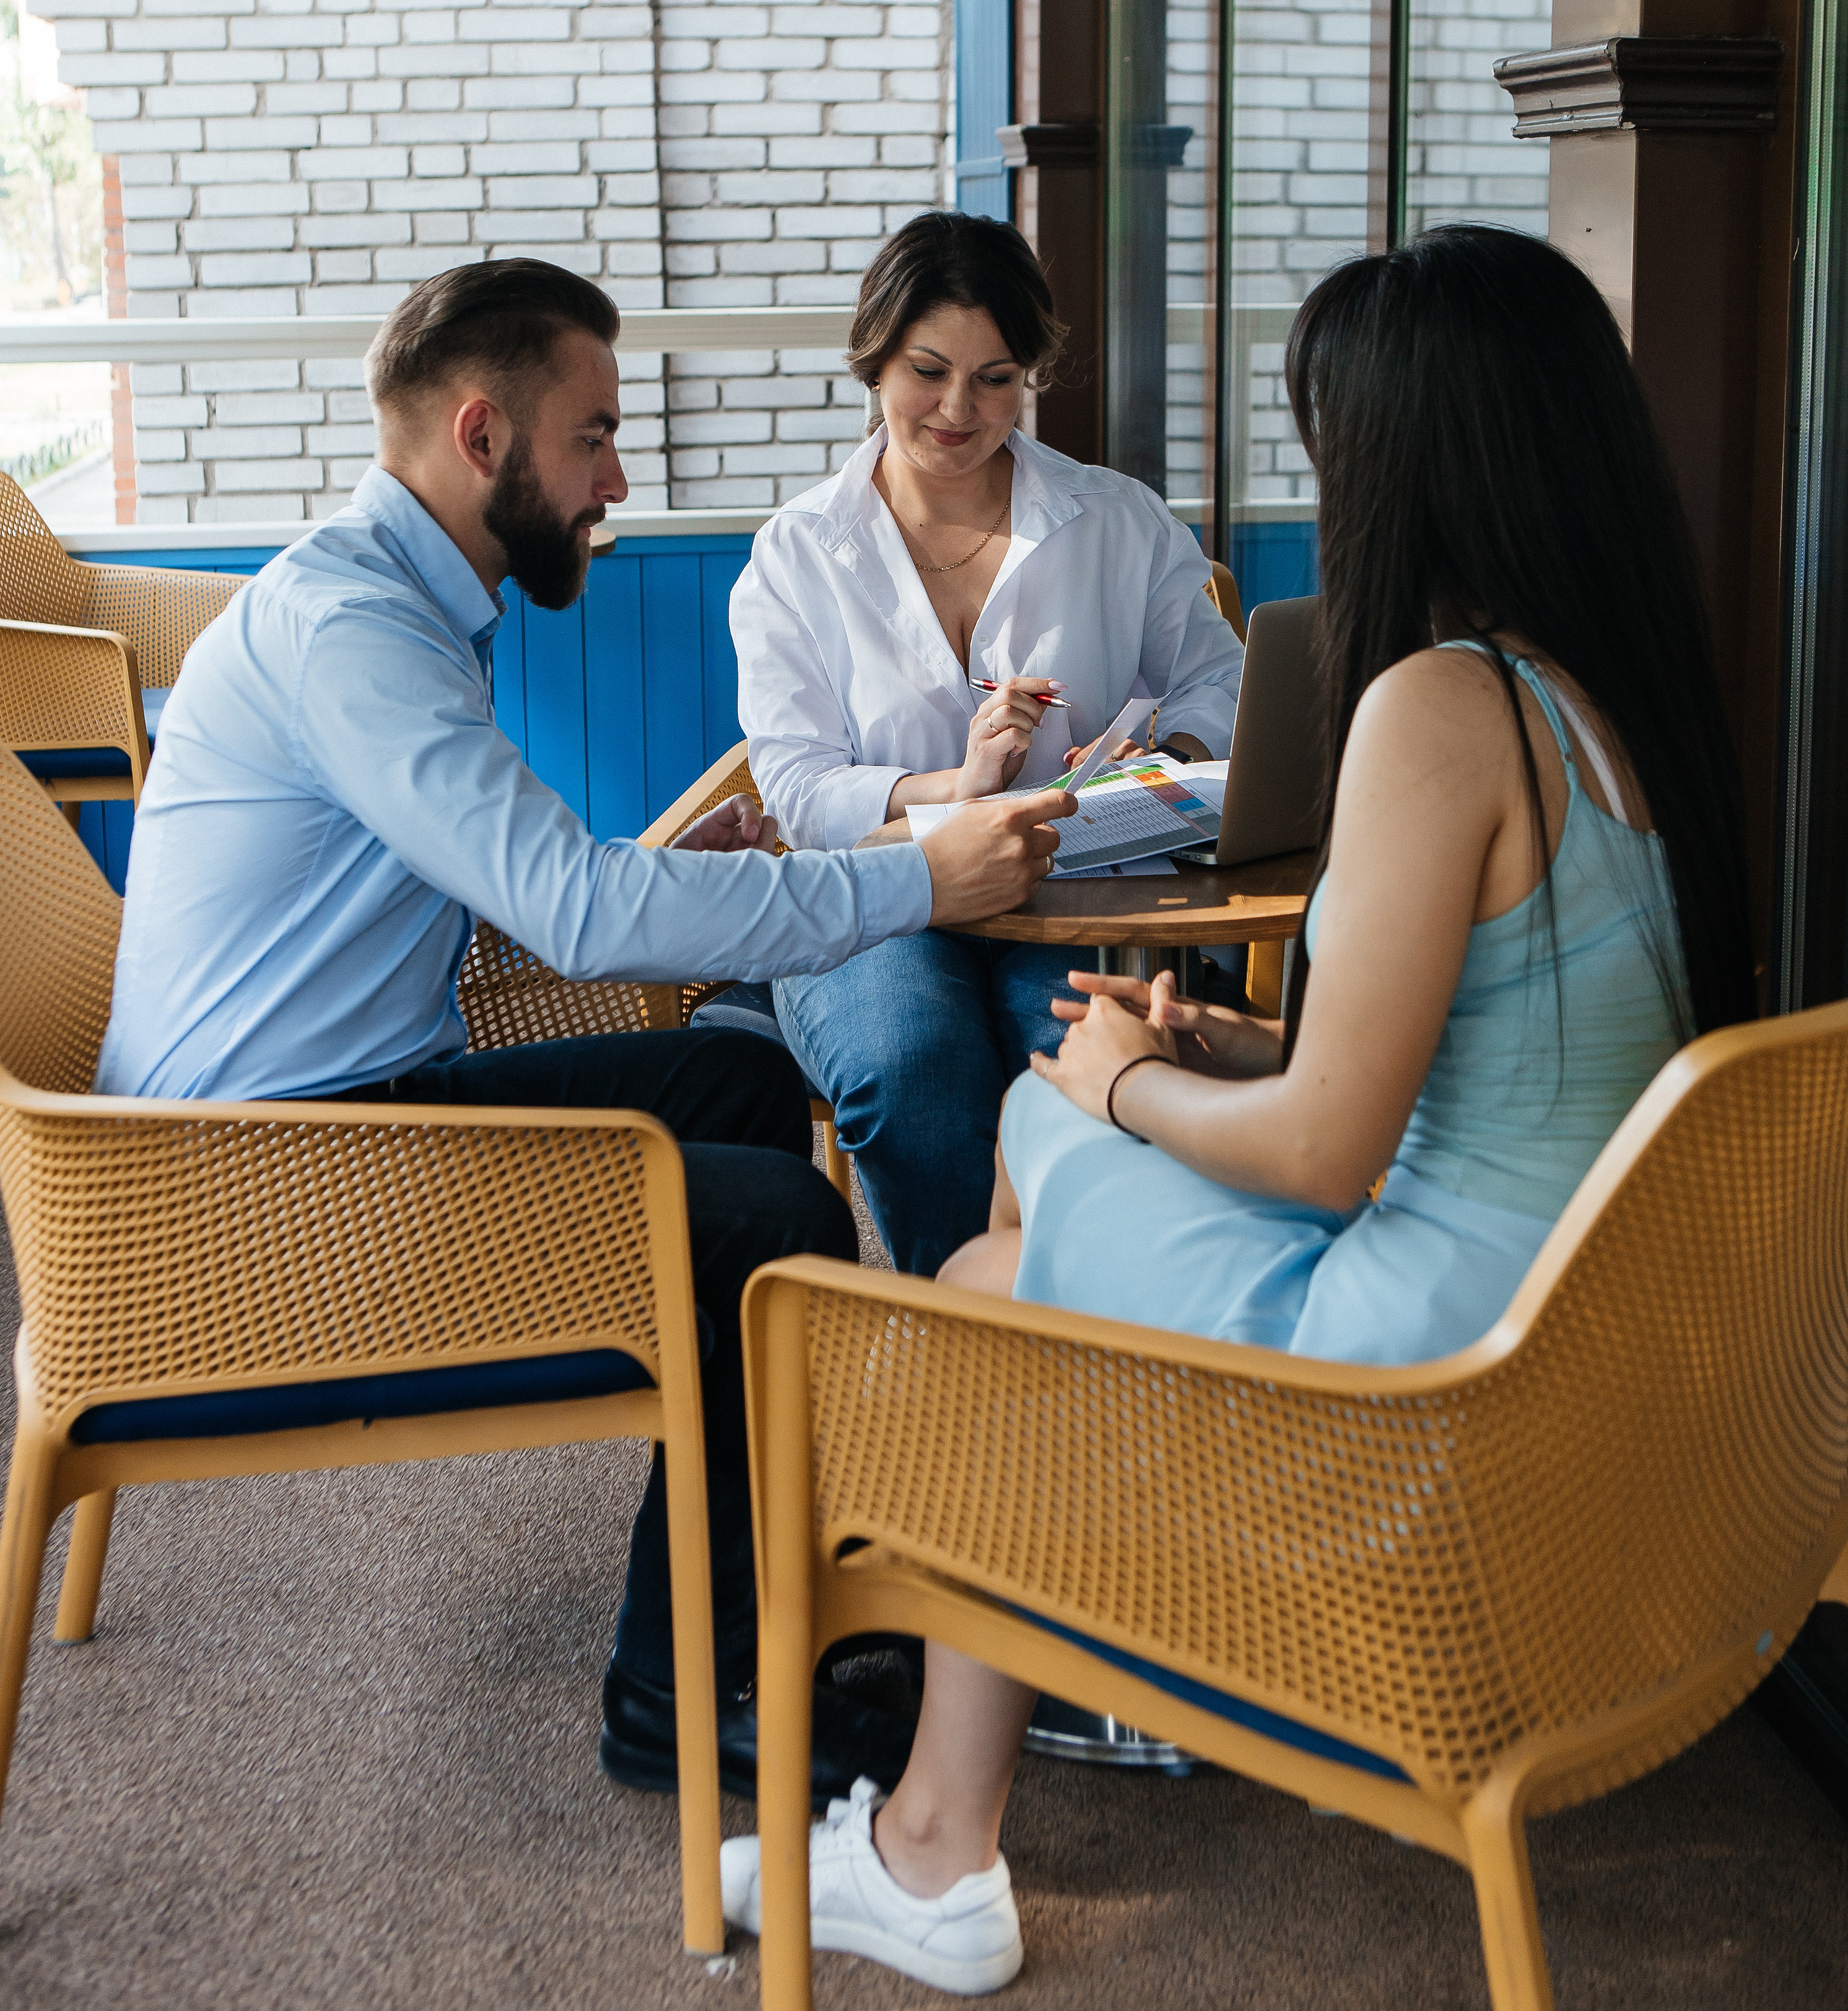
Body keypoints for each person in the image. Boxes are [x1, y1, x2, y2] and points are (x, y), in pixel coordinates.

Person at [718, 223, 1758, 1991]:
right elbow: (1466, 1063)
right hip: (1572, 1334)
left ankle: (952, 1818)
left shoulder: (1439, 710)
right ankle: (999, 1753)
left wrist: (1124, 1082)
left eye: (1326, 440)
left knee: (1014, 1218)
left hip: (1441, 1370)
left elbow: (1326, 1150)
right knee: (1015, 1171)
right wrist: (1204, 1054)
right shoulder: (1614, 706)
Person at [95, 257, 1068, 1815]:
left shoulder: (399, 599)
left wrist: (686, 883)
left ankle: (747, 1580)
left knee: (736, 1074)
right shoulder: (352, 629)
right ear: (483, 435)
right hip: (253, 1196)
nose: (618, 478)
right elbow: (572, 912)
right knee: (769, 1224)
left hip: (337, 1108)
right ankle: (685, 1696)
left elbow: (502, 894)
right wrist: (911, 877)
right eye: (594, 437)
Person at [729, 211, 1245, 1273]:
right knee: (914, 1064)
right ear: (874, 356)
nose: (960, 411)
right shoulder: (798, 553)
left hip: (1066, 893)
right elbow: (796, 787)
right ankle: (965, 1359)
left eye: (997, 379)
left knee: (1070, 1057)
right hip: (871, 906)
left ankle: (1086, 1345)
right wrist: (954, 786)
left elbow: (1220, 679)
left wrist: (1168, 754)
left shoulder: (1119, 520)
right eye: (928, 371)